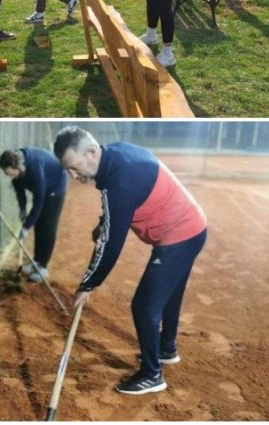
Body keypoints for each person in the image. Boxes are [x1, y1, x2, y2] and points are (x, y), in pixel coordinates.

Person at [53, 126, 207, 395]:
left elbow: (112, 246)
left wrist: (88, 284)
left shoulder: (118, 180)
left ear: (91, 152)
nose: (73, 176)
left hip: (180, 236)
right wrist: (105, 223)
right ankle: (166, 349)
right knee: (168, 295)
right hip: (192, 228)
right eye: (68, 170)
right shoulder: (116, 156)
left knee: (144, 306)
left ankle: (152, 374)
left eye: (75, 168)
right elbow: (118, 210)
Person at [0, 147, 68, 283]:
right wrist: (23, 209)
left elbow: (39, 201)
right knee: (38, 224)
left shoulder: (35, 168)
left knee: (47, 226)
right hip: (44, 186)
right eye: (7, 174)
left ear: (16, 167)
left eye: (10, 173)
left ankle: (43, 267)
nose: (9, 176)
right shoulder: (18, 171)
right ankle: (36, 261)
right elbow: (20, 193)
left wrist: (25, 227)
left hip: (55, 187)